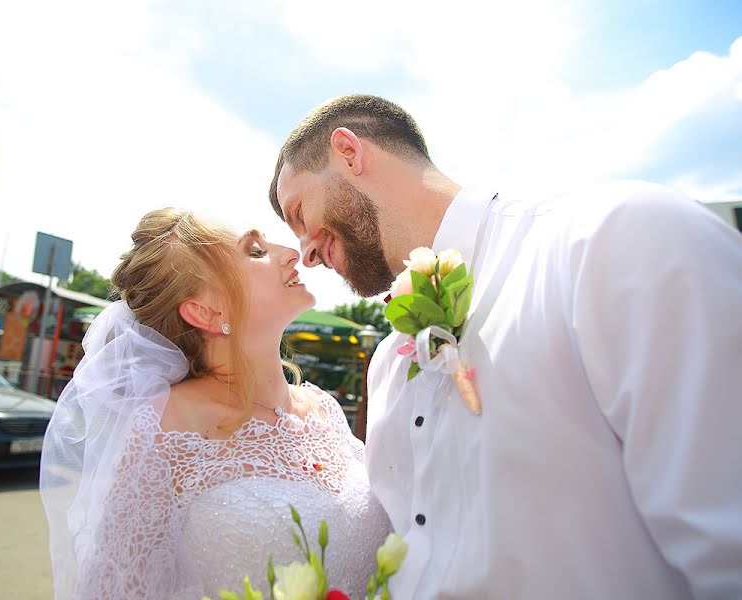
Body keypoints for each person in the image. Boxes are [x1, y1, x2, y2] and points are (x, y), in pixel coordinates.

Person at [268, 94, 742, 599]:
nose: (308, 255)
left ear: (348, 152)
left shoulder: (612, 241)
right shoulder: (387, 364)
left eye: (300, 213)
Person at [40, 208, 390, 599]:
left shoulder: (324, 410)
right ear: (205, 311)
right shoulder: (165, 427)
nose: (291, 253)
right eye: (255, 251)